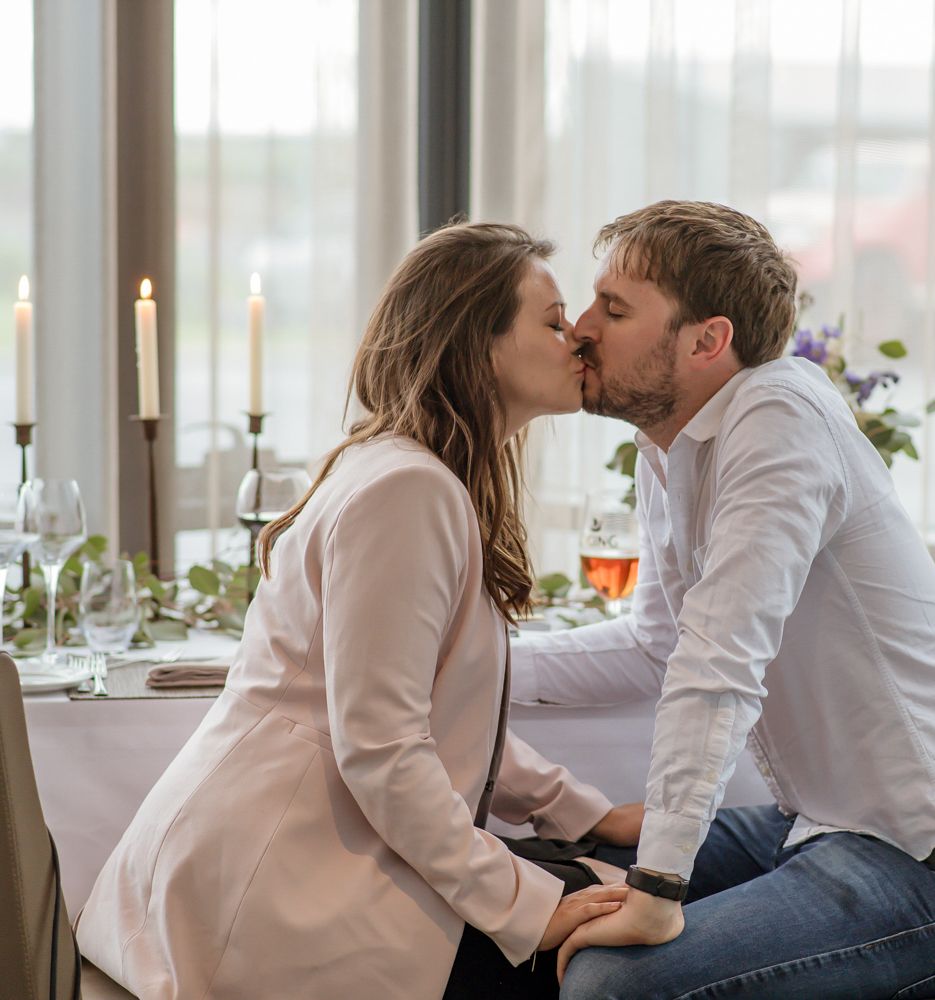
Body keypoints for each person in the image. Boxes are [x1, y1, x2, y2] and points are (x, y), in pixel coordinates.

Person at [76, 222, 640, 1000]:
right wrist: (528, 908)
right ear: (477, 347)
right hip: (277, 892)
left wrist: (581, 813)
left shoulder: (414, 475)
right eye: (551, 321)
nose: (576, 337)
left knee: (616, 889)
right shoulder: (410, 491)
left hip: (306, 862)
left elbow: (430, 715)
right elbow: (385, 751)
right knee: (619, 942)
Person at [507, 201, 935, 998]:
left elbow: (716, 664)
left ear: (706, 341)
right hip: (811, 831)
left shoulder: (778, 414)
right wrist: (479, 665)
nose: (579, 328)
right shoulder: (667, 451)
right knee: (521, 888)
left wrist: (656, 889)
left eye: (613, 309)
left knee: (611, 984)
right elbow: (655, 647)